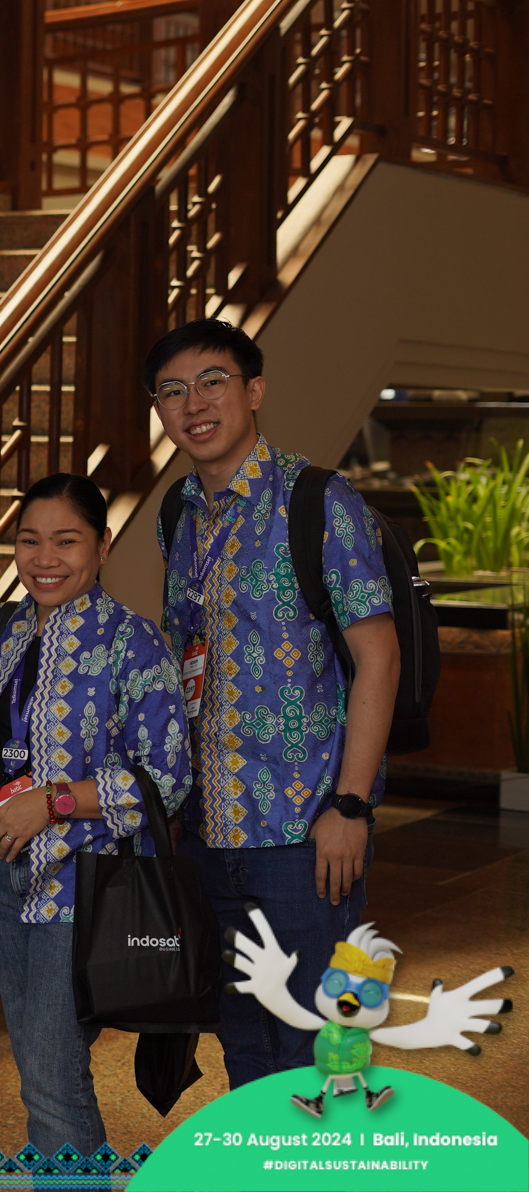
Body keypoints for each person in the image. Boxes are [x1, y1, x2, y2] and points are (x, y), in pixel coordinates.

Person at [147, 318, 398, 1088]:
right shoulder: (177, 514)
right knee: (245, 1050)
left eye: (212, 382)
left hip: (304, 836)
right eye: (172, 391)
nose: (194, 404)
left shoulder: (318, 500)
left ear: (254, 391)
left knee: (316, 1051)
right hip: (206, 836)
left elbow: (378, 656)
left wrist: (349, 806)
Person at [0, 473, 191, 1158]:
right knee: (41, 1067)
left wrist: (53, 801)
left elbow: (165, 780)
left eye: (66, 541)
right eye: (29, 541)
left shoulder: (133, 642)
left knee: (51, 1073)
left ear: (102, 545)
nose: (45, 559)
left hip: (83, 880)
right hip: (2, 871)